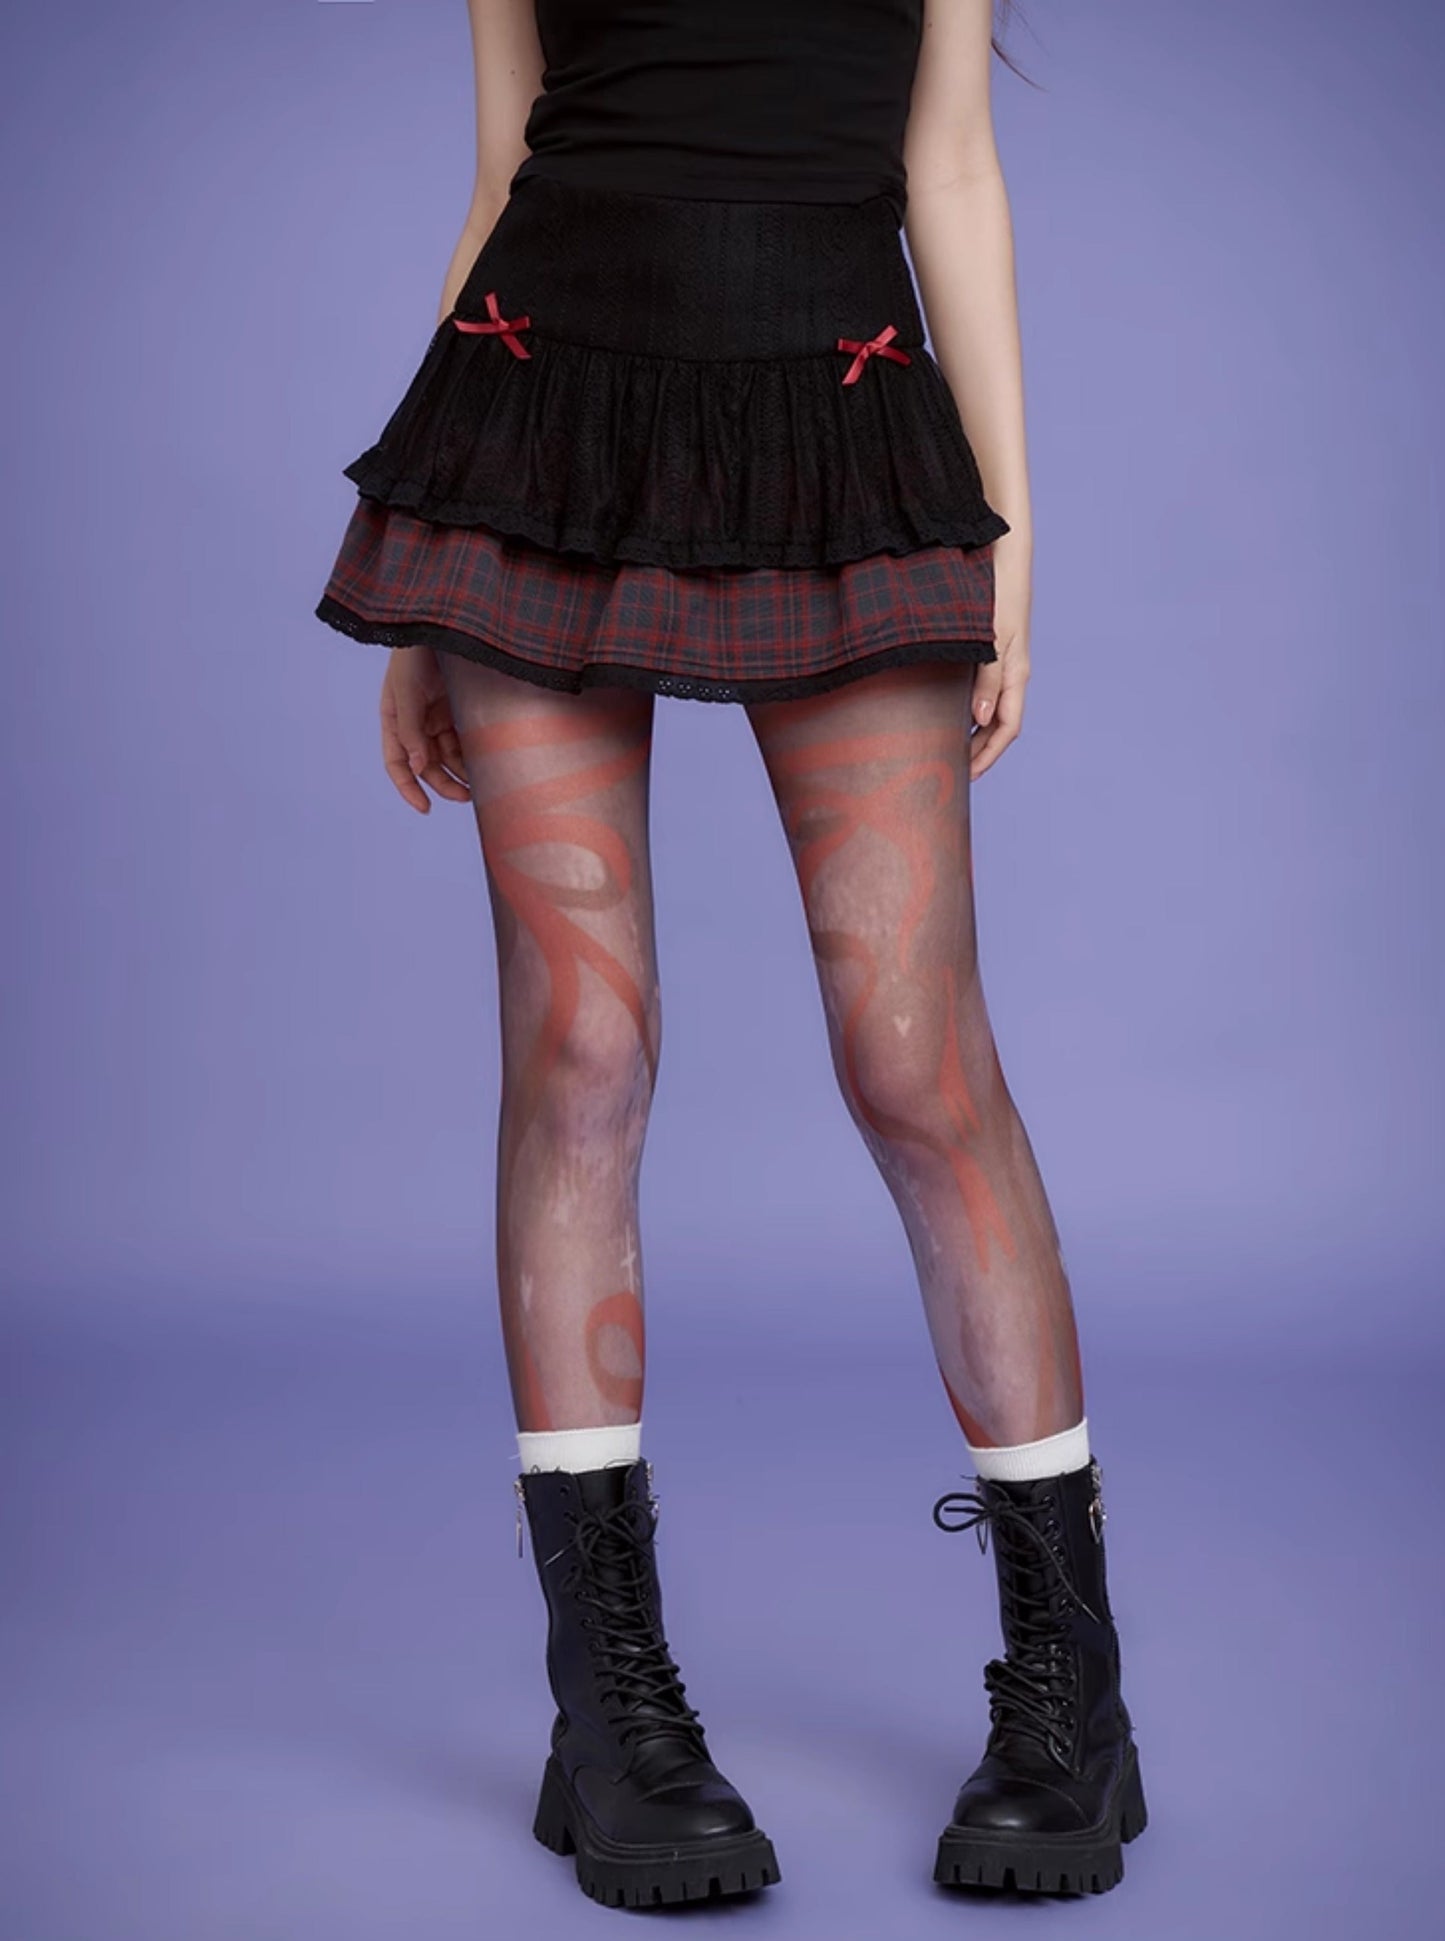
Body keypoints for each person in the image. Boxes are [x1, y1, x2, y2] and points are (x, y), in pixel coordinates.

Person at [315, 0, 1147, 1908]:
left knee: (914, 1060)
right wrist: (427, 571)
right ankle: (607, 1712)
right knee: (581, 1048)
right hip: (536, 413)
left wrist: (1009, 547)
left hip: (837, 414)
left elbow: (950, 168)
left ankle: (1073, 1697)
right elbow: (506, 171)